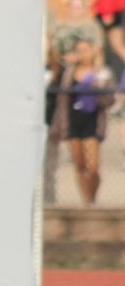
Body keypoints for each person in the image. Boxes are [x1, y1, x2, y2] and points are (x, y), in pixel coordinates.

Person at [53, 38, 114, 205]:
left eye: (86, 50)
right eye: (79, 50)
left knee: (92, 165)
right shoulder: (69, 73)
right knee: (79, 164)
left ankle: (92, 196)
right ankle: (86, 199)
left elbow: (110, 101)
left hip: (92, 121)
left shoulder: (101, 73)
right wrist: (61, 124)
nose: (83, 54)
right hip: (74, 120)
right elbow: (62, 100)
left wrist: (99, 87)